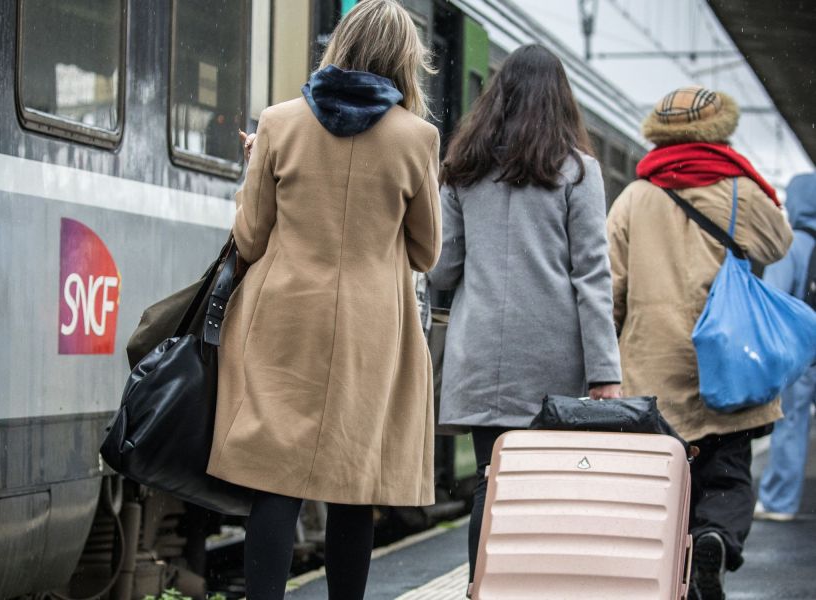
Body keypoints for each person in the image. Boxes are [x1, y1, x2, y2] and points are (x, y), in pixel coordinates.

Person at [205, 2, 440, 598]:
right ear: (405, 59)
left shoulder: (279, 123)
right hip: (370, 328)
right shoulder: (418, 138)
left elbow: (251, 235)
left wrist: (255, 163)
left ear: (338, 44)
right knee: (351, 482)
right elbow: (425, 250)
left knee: (276, 480)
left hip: (282, 317)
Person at [428, 44, 623, 592]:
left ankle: (480, 586)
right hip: (552, 362)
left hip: (481, 355)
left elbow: (443, 270)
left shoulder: (463, 169)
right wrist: (605, 370)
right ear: (561, 100)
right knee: (549, 491)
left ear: (498, 96)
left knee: (493, 484)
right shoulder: (578, 172)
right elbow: (592, 276)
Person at [607, 86, 793, 600]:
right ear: (718, 130)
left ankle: (676, 570)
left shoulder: (635, 196)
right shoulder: (739, 188)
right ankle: (715, 536)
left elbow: (611, 288)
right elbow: (778, 243)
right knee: (728, 471)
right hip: (729, 355)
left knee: (666, 480)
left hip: (653, 361)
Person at [755, 173, 816, 521]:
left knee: (791, 422)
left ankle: (780, 502)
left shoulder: (791, 244)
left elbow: (773, 300)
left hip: (801, 355)